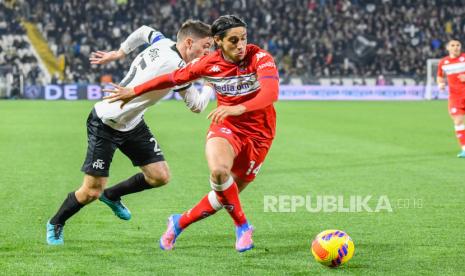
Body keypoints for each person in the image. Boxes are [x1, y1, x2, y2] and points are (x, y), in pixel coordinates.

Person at [103, 15, 279, 252]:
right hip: (227, 126)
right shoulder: (208, 64)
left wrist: (239, 107)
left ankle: (179, 222)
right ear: (218, 41)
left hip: (260, 135)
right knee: (218, 172)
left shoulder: (260, 58)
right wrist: (134, 90)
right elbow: (172, 78)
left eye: (244, 39)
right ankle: (243, 226)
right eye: (234, 40)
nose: (241, 46)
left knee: (225, 195)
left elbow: (271, 92)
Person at [46, 20, 214, 245]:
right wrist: (210, 85)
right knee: (90, 191)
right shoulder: (176, 67)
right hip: (106, 122)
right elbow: (197, 106)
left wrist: (119, 52)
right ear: (189, 42)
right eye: (206, 46)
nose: (208, 51)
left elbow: (144, 31)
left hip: (132, 123)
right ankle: (56, 222)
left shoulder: (163, 42)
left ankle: (112, 195)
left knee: (159, 176)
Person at [437, 39, 465, 157]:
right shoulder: (443, 62)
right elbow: (439, 76)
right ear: (448, 48)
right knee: (458, 121)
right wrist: (441, 84)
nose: (455, 47)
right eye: (452, 45)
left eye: (458, 45)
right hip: (455, 98)